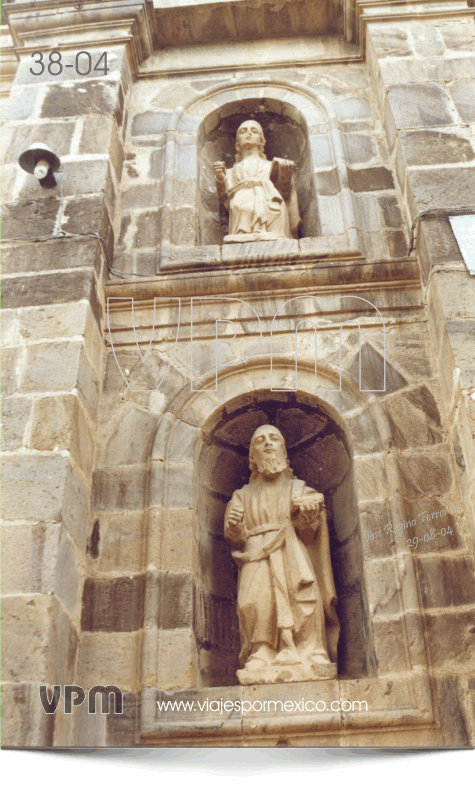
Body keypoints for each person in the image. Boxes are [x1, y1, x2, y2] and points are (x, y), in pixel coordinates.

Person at [224, 425, 339, 681]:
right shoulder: (242, 495)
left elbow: (310, 534)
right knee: (254, 602)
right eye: (260, 441)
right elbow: (235, 538)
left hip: (292, 552)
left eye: (274, 438)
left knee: (302, 598)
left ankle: (310, 651)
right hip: (255, 555)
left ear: (283, 450)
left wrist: (309, 516)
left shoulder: (299, 489)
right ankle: (261, 652)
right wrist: (234, 526)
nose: (267, 443)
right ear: (253, 455)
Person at [213, 120, 301, 243]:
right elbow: (225, 195)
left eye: (254, 131)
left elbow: (284, 194)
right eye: (243, 131)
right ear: (237, 140)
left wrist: (285, 176)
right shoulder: (231, 171)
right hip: (241, 204)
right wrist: (221, 177)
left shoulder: (270, 166)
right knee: (240, 204)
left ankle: (274, 234)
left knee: (275, 207)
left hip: (270, 202)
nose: (248, 133)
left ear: (260, 139)